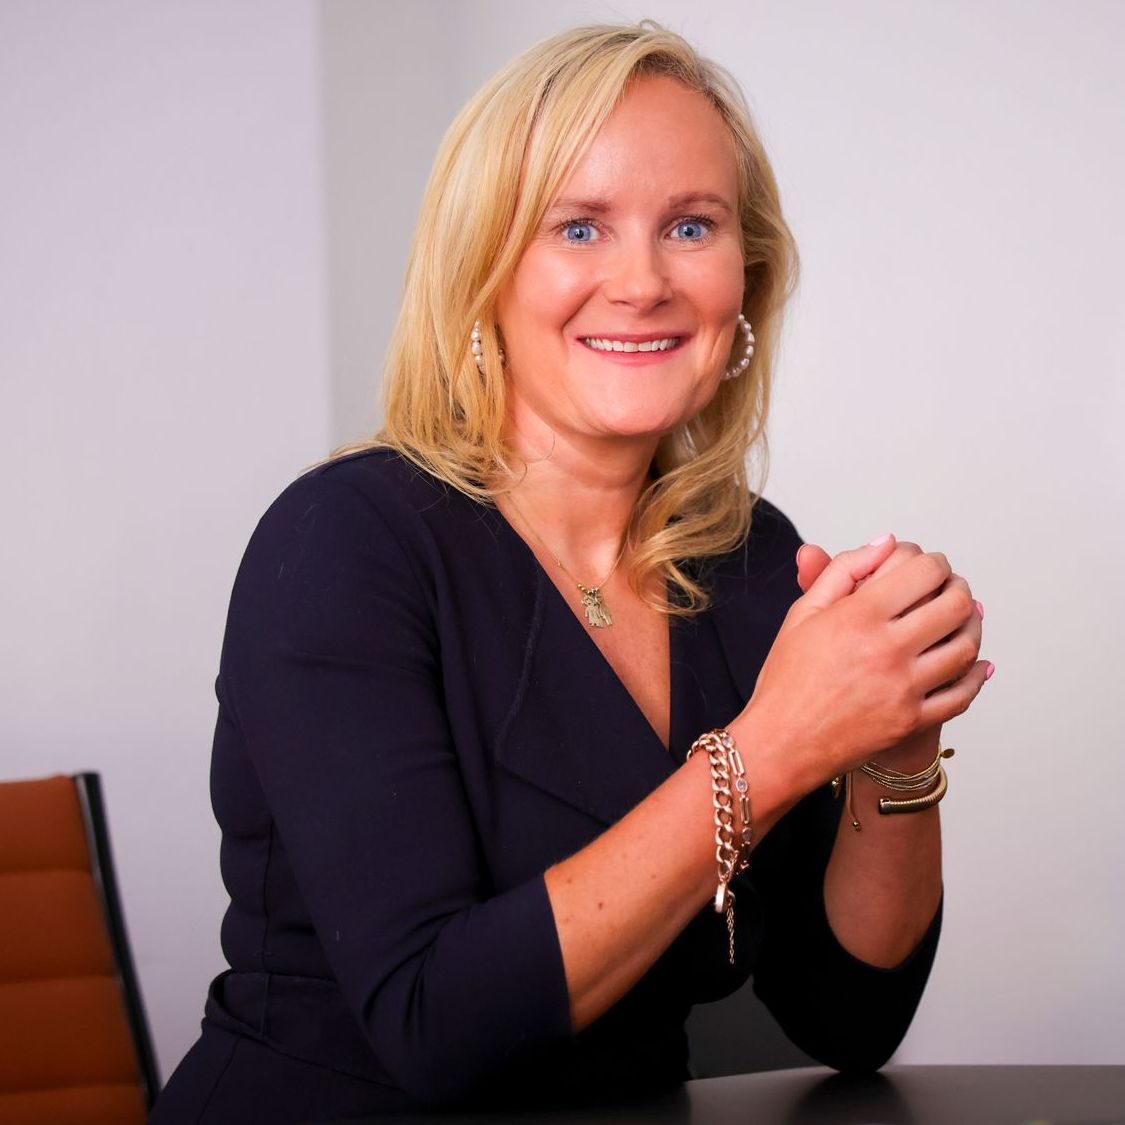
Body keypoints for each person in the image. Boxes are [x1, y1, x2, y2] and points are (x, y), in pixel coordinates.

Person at [150, 22, 989, 1122]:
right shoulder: (342, 544)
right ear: (484, 271)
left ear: (745, 280)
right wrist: (778, 744)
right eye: (579, 227)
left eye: (691, 225)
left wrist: (894, 745)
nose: (641, 282)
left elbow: (848, 1018)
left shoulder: (747, 558)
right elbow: (430, 1021)